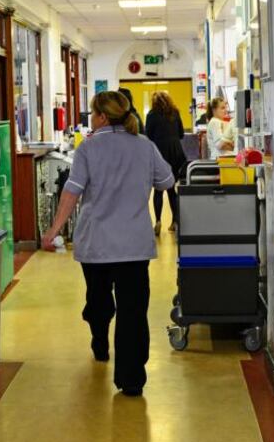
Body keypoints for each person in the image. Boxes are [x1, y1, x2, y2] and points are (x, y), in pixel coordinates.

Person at [41, 90, 174, 397]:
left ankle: (100, 341)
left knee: (99, 300)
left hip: (97, 243)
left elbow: (72, 193)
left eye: (92, 114)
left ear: (101, 116)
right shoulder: (145, 146)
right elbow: (166, 182)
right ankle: (132, 380)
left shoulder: (88, 148)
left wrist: (53, 231)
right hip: (134, 245)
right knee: (133, 311)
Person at [145, 91, 186, 235]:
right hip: (176, 153)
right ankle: (175, 221)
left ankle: (157, 221)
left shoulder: (151, 115)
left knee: (158, 189)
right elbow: (181, 134)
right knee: (171, 188)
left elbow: (147, 136)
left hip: (159, 153)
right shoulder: (175, 113)